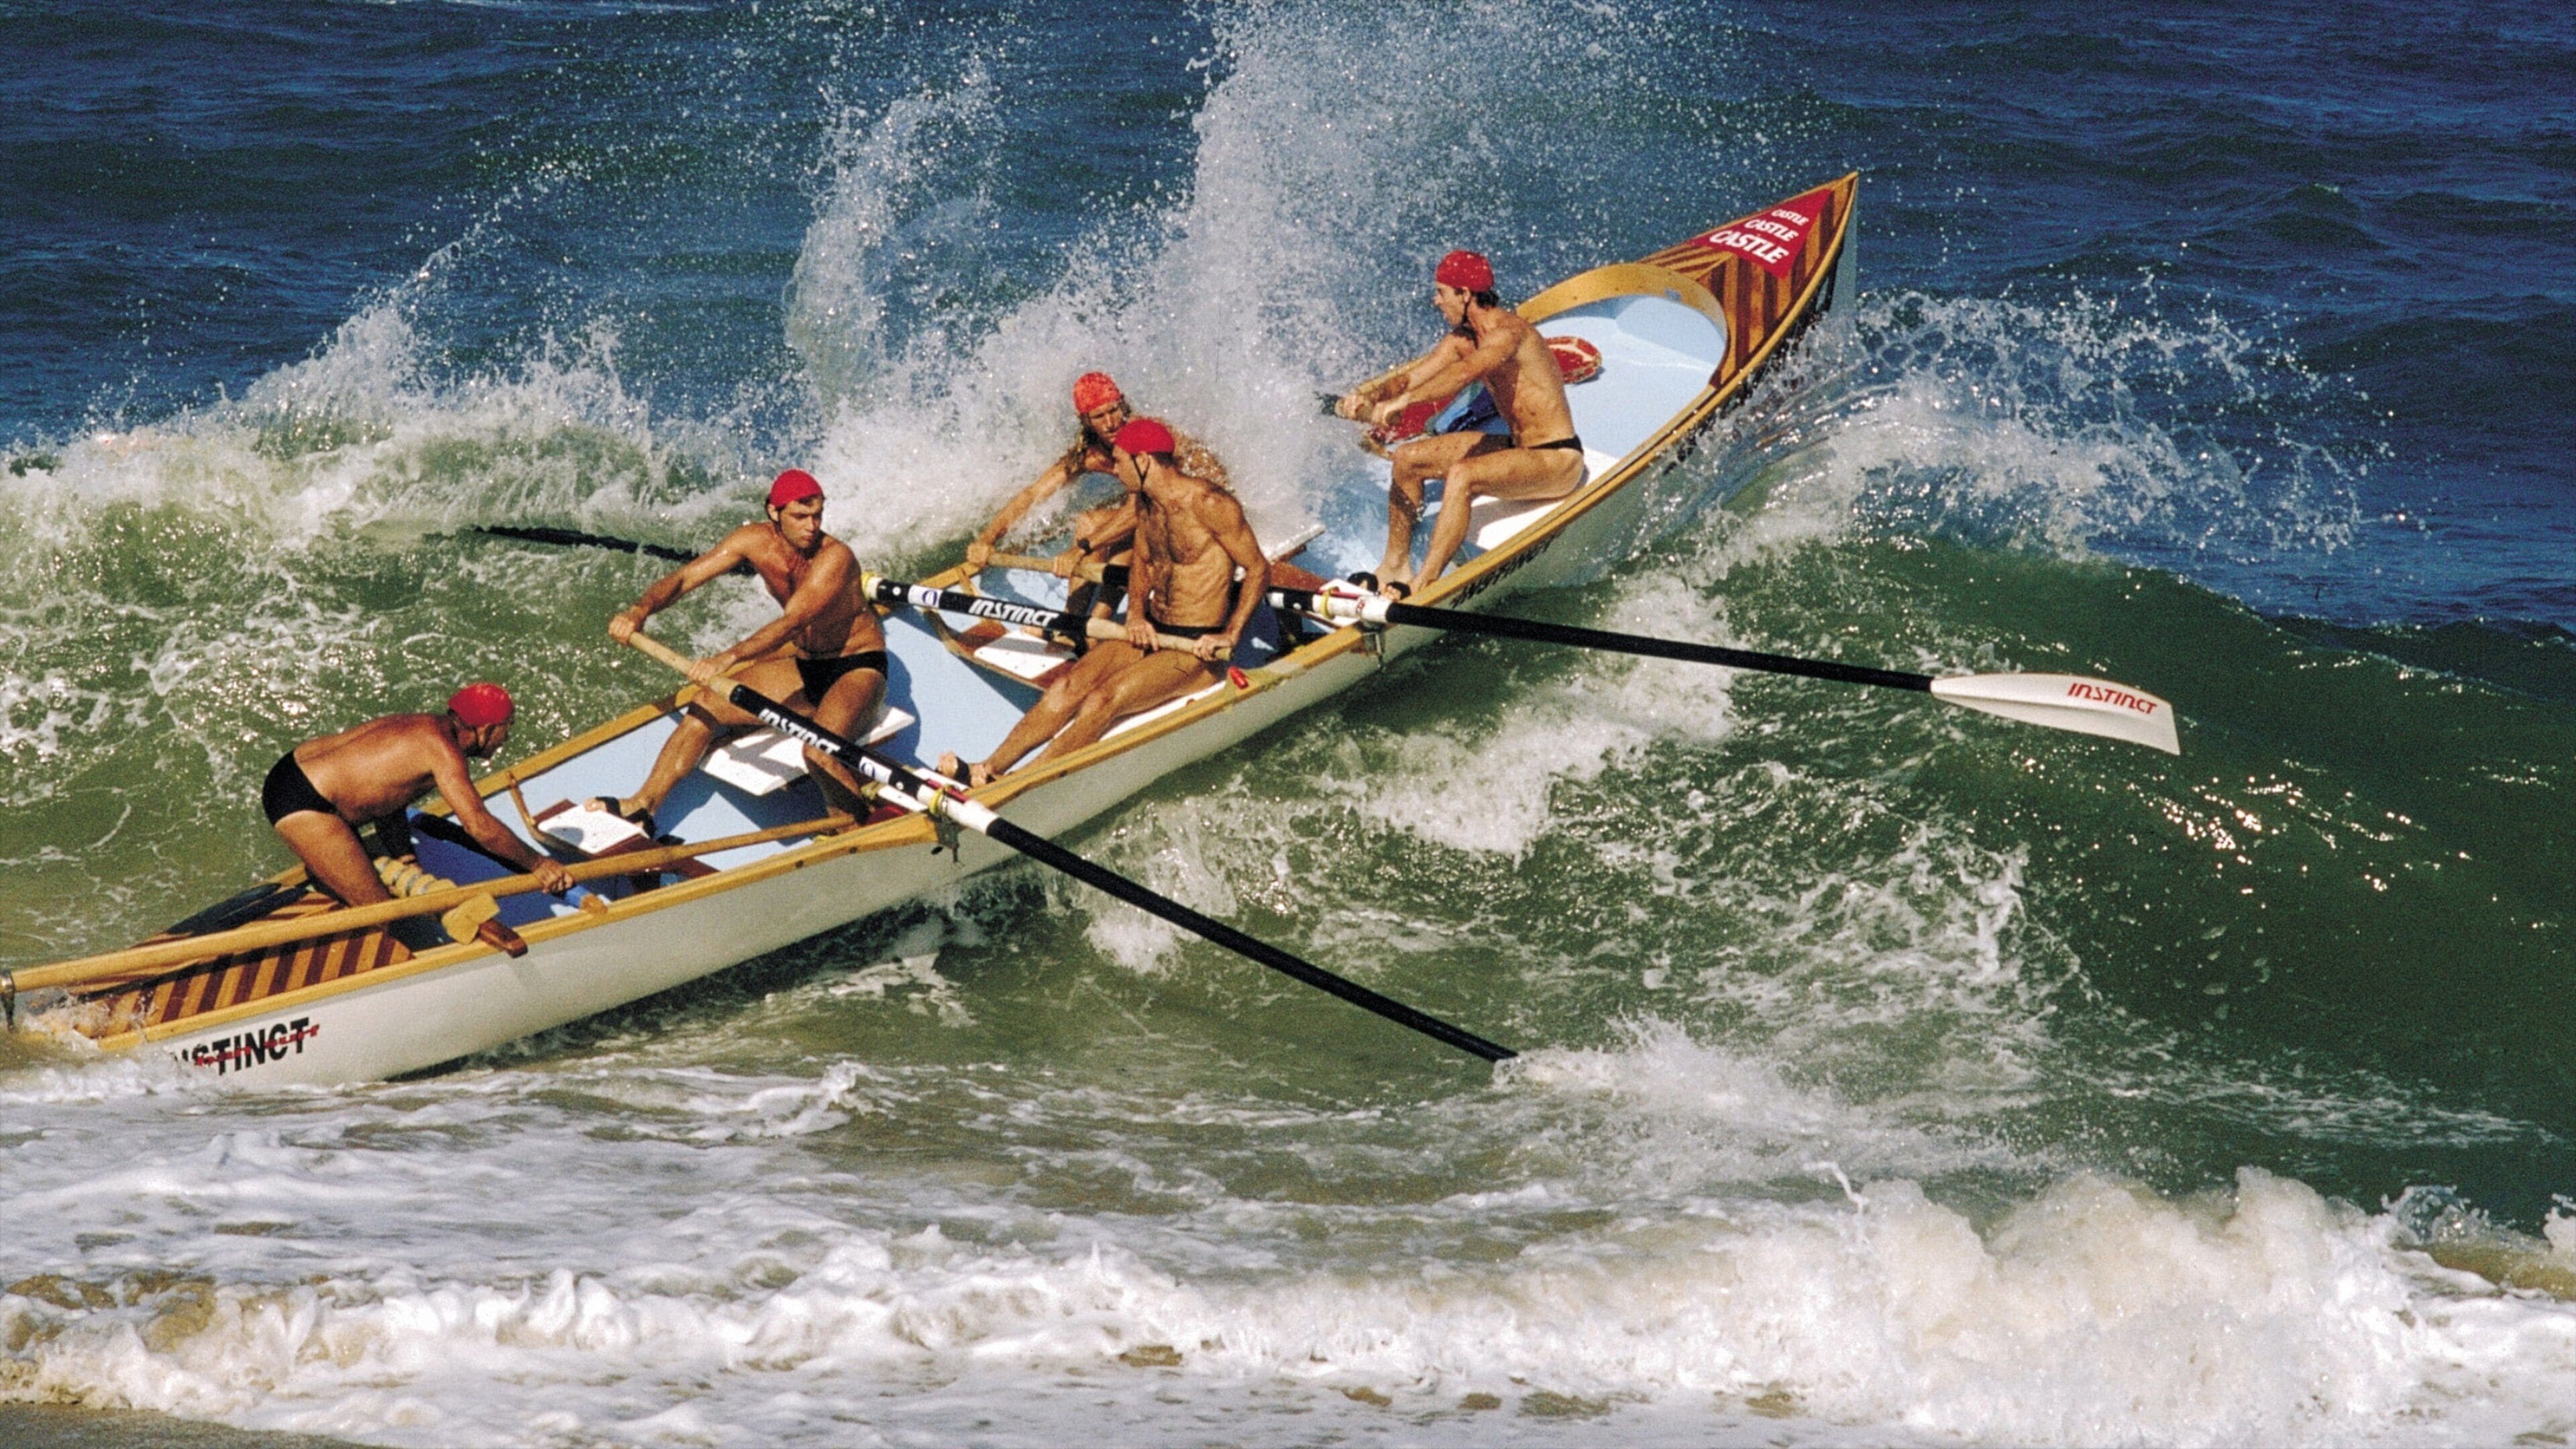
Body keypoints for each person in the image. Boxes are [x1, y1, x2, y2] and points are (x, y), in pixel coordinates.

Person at [938, 418, 1265, 787]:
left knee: (1101, 701)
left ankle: (1018, 783)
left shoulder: (1210, 503)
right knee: (1069, 686)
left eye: (1122, 462)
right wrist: (1137, 614)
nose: (1116, 470)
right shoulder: (1147, 503)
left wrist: (1231, 635)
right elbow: (1142, 562)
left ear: (1144, 462)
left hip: (1193, 650)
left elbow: (1256, 569)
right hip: (1152, 632)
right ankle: (988, 769)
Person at [597, 468, 889, 827]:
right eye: (800, 516)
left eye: (818, 516)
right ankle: (642, 808)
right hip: (805, 664)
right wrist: (640, 609)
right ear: (774, 512)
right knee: (704, 704)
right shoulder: (752, 540)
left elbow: (791, 623)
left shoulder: (835, 557)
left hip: (855, 667)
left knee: (817, 753)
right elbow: (687, 577)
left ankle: (858, 822)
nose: (811, 526)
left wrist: (727, 658)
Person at [1336, 249, 1587, 596]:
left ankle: (1425, 585)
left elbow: (1464, 374)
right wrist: (1373, 396)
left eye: (1441, 292)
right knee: (1408, 459)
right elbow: (1410, 378)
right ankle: (1394, 566)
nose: (1435, 301)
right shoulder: (1462, 340)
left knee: (1463, 474)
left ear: (1465, 295)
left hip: (1557, 458)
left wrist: (1405, 404)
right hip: (1518, 447)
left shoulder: (1509, 334)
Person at [262, 682, 573, 908]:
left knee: (361, 883)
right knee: (384, 913)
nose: (507, 737)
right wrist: (538, 864)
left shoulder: (423, 726)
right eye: (508, 728)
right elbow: (479, 826)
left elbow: (389, 796)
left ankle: (332, 874)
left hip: (293, 769)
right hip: (306, 803)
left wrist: (404, 856)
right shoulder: (446, 753)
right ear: (488, 729)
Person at [963, 372, 1232, 594]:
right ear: (1086, 421)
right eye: (1099, 417)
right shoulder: (1089, 454)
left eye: (1114, 411)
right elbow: (1033, 494)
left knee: (1095, 526)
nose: (1111, 423)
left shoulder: (1145, 437)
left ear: (1123, 405)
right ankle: (1077, 621)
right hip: (1160, 511)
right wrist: (987, 539)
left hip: (1203, 513)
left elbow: (1137, 510)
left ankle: (1081, 622)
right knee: (1096, 525)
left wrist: (1081, 549)